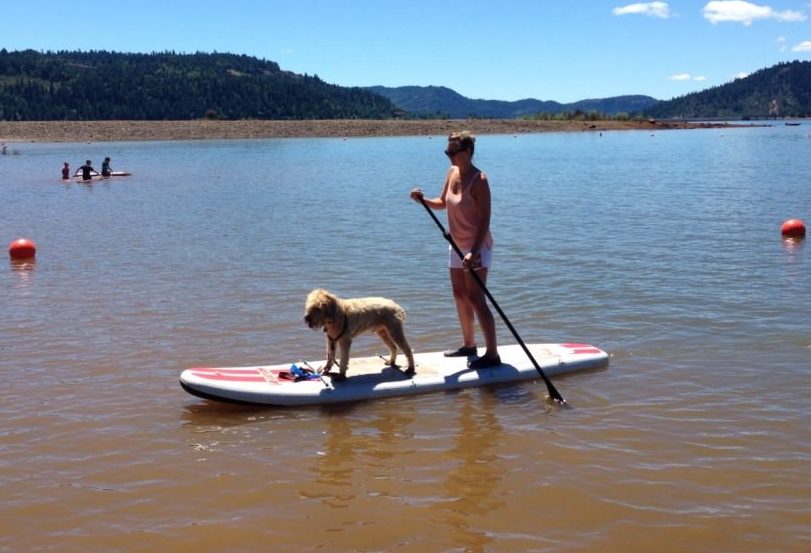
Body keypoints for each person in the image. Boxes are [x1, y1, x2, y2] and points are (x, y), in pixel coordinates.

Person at [410, 131, 500, 369]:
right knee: (459, 295)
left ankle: (492, 354)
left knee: (476, 298)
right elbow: (442, 202)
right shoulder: (451, 173)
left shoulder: (479, 180)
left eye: (452, 151)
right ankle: (469, 345)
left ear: (467, 151)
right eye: (446, 152)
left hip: (476, 247)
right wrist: (423, 201)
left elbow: (485, 220)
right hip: (456, 244)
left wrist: (475, 250)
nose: (448, 156)